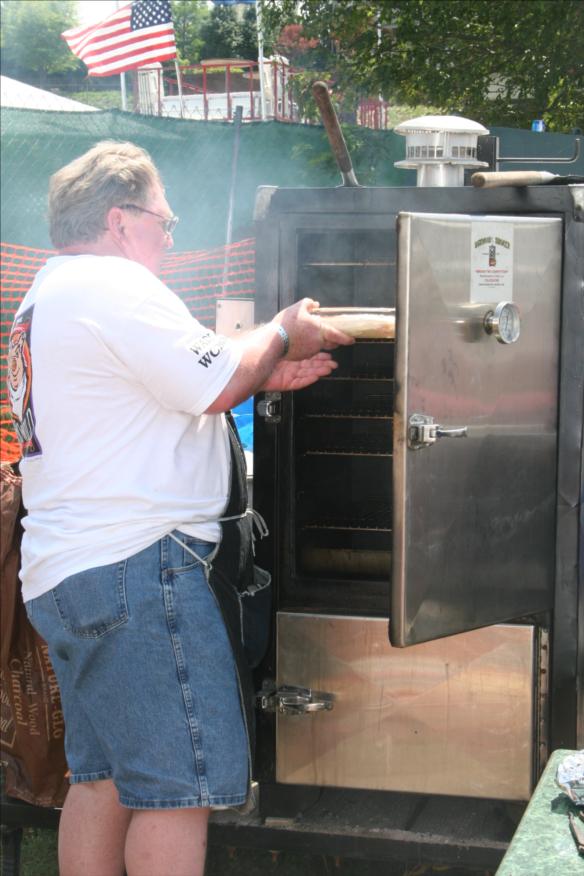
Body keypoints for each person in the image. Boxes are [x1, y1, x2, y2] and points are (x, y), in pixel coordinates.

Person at [7, 140, 354, 876]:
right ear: (119, 218)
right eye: (163, 222)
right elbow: (217, 381)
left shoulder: (48, 295)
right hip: (136, 571)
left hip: (72, 574)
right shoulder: (112, 285)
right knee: (175, 792)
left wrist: (259, 369)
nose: (169, 238)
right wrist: (281, 331)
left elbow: (173, 388)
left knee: (103, 781)